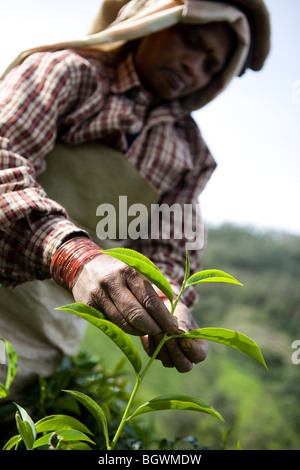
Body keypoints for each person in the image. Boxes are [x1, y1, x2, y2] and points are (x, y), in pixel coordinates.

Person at [0, 0, 271, 393]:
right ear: (153, 20)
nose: (194, 67)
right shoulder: (73, 73)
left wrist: (167, 299)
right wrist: (74, 259)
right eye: (191, 41)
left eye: (211, 66)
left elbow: (170, 247)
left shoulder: (188, 154)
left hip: (44, 345)